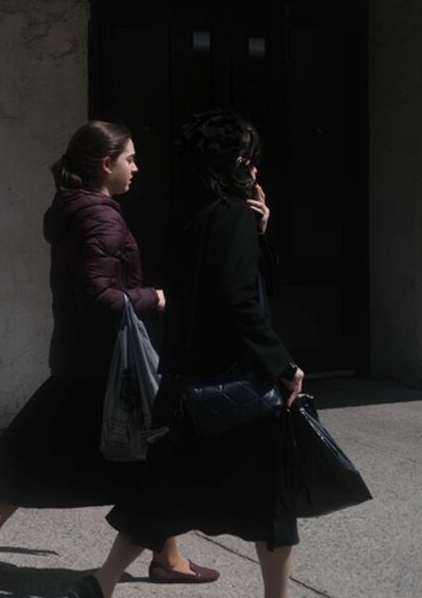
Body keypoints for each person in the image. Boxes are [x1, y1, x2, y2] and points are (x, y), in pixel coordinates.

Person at [0, 121, 219, 587]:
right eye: (129, 159)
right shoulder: (100, 217)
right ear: (104, 164)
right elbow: (100, 296)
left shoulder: (73, 209)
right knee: (155, 451)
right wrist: (154, 299)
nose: (136, 167)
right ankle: (164, 559)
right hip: (105, 361)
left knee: (44, 450)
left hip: (81, 355)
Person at [61, 110, 305, 598]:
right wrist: (283, 364)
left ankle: (101, 583)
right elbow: (243, 299)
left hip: (186, 378)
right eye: (248, 160)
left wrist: (259, 233)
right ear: (232, 163)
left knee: (163, 492)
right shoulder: (232, 217)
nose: (254, 170)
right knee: (272, 502)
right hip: (235, 383)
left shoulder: (192, 216)